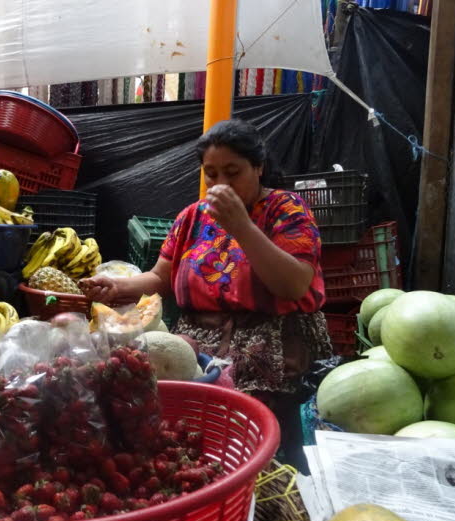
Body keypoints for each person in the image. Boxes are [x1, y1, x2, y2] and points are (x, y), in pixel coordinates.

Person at [81, 119, 332, 467]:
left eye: (233, 172)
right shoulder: (192, 217)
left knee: (249, 452)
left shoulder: (287, 210)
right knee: (181, 440)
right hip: (197, 348)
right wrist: (118, 287)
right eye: (211, 174)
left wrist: (241, 227)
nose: (220, 184)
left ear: (258, 168)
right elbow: (160, 277)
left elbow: (293, 285)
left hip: (272, 352)